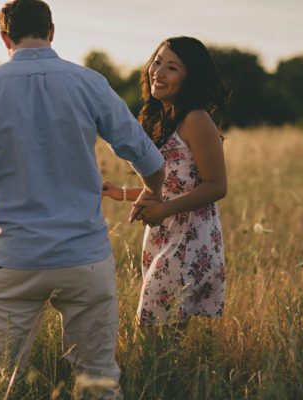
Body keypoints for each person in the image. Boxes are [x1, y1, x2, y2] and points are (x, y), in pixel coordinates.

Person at [0, 0, 164, 398]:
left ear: (4, 37)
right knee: (97, 382)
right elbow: (147, 156)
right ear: (52, 32)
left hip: (16, 259)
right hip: (85, 257)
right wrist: (154, 192)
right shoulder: (89, 82)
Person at [103, 36, 228, 328]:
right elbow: (171, 187)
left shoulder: (196, 119)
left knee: (151, 327)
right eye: (157, 62)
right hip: (165, 233)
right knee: (165, 331)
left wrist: (163, 212)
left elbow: (217, 186)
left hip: (188, 237)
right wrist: (120, 193)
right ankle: (175, 375)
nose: (158, 72)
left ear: (189, 78)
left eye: (172, 67)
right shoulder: (163, 117)